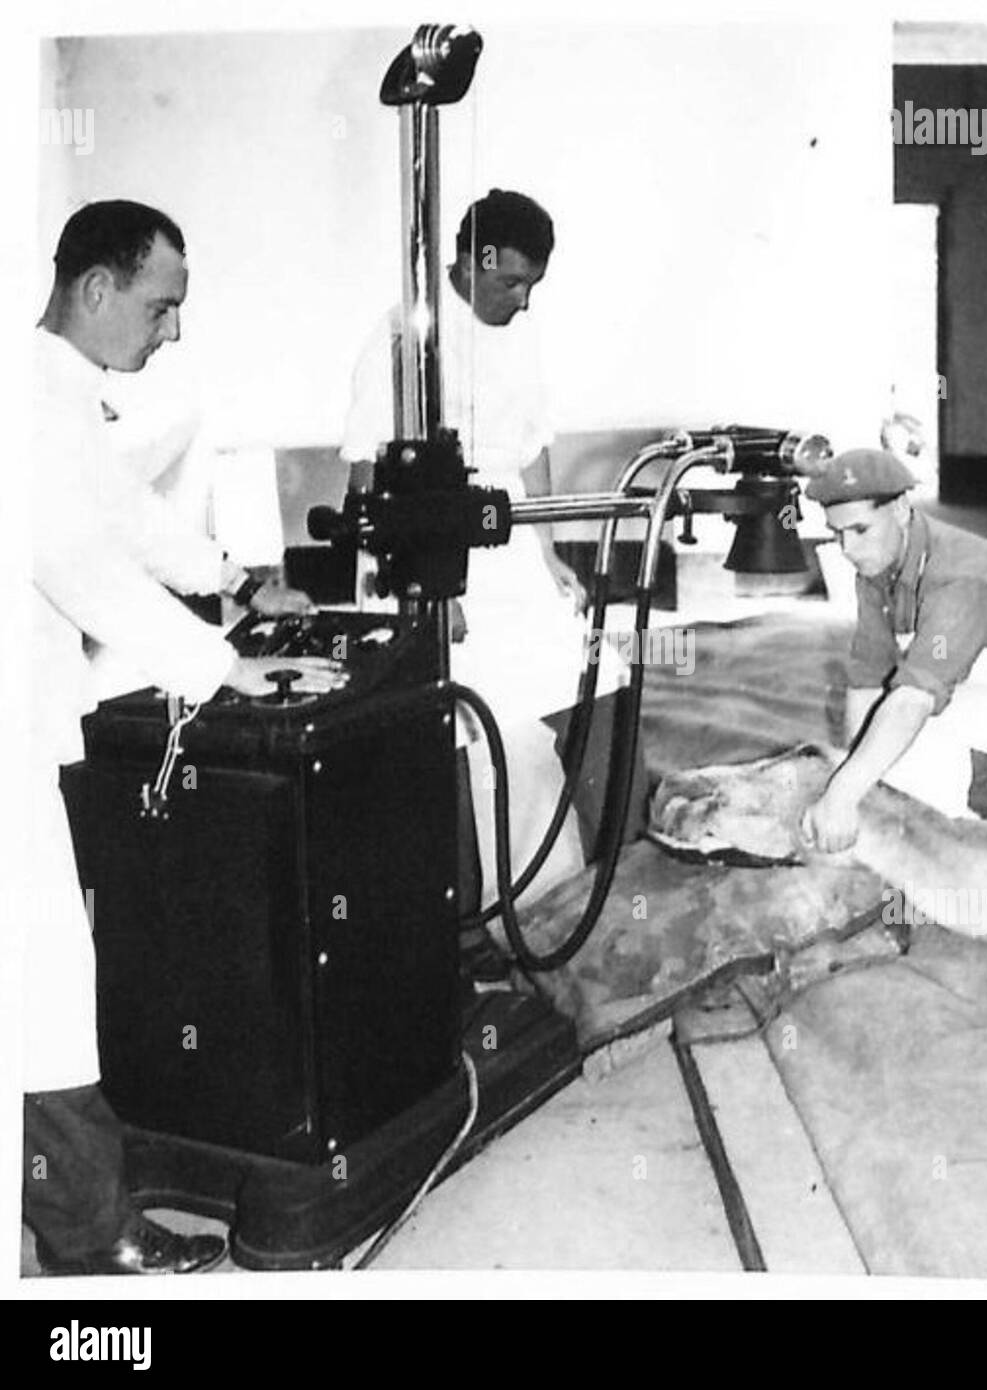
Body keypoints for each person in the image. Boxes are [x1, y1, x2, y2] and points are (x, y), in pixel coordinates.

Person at [27, 199, 345, 1274]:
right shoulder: (32, 396)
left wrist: (234, 578)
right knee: (44, 986)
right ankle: (83, 1234)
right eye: (162, 308)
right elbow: (76, 557)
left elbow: (120, 517)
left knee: (42, 971)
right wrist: (219, 664)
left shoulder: (60, 399)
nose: (170, 333)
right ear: (99, 289)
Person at [342, 189, 637, 931]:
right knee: (488, 719)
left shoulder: (519, 335)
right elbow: (364, 482)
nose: (523, 300)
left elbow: (534, 448)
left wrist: (547, 552)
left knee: (594, 671)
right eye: (512, 282)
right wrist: (428, 583)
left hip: (503, 542)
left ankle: (564, 895)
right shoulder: (404, 342)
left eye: (533, 285)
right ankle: (508, 915)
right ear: (473, 262)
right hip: (422, 551)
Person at [800, 448, 987, 852]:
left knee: (915, 762)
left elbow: (912, 701)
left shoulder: (961, 577)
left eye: (859, 530)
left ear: (902, 508)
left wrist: (844, 794)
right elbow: (867, 677)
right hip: (974, 684)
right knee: (880, 755)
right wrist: (856, 780)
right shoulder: (877, 564)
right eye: (837, 534)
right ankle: (984, 785)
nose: (847, 548)